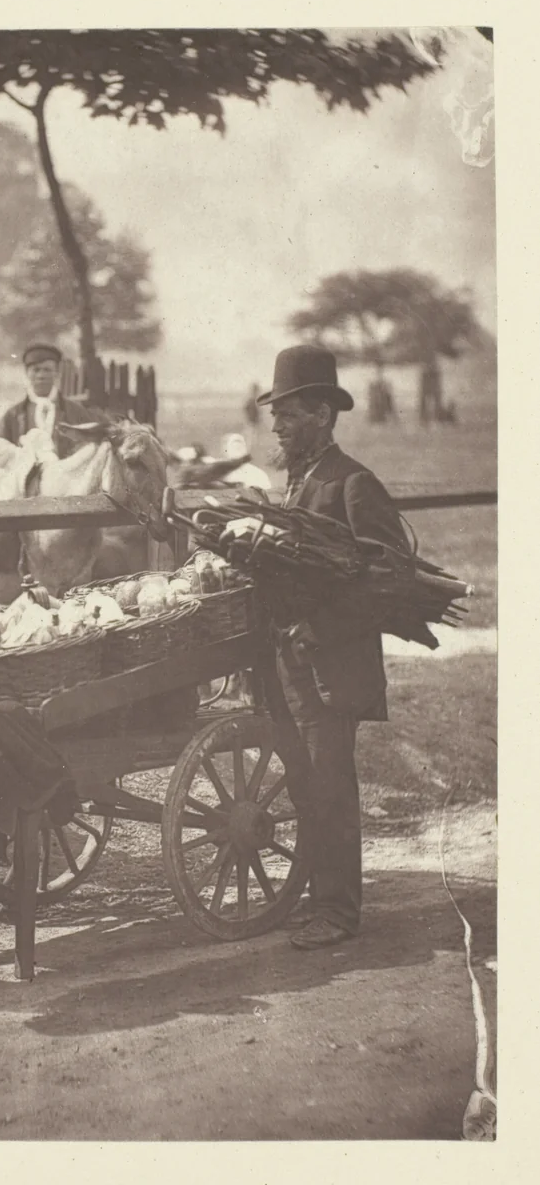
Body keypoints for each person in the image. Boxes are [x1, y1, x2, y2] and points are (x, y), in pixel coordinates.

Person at [257, 345, 409, 950]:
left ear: (322, 415)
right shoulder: (300, 483)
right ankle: (320, 900)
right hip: (291, 668)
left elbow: (388, 582)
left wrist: (318, 630)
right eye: (277, 413)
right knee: (306, 787)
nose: (276, 425)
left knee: (331, 787)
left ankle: (339, 912)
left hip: (329, 667)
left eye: (288, 413)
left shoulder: (353, 485)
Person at [0, 342, 93, 458]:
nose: (41, 375)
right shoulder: (12, 415)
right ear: (27, 373)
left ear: (57, 373)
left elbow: (88, 450)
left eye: (47, 370)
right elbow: (1, 453)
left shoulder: (76, 412)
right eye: (36, 370)